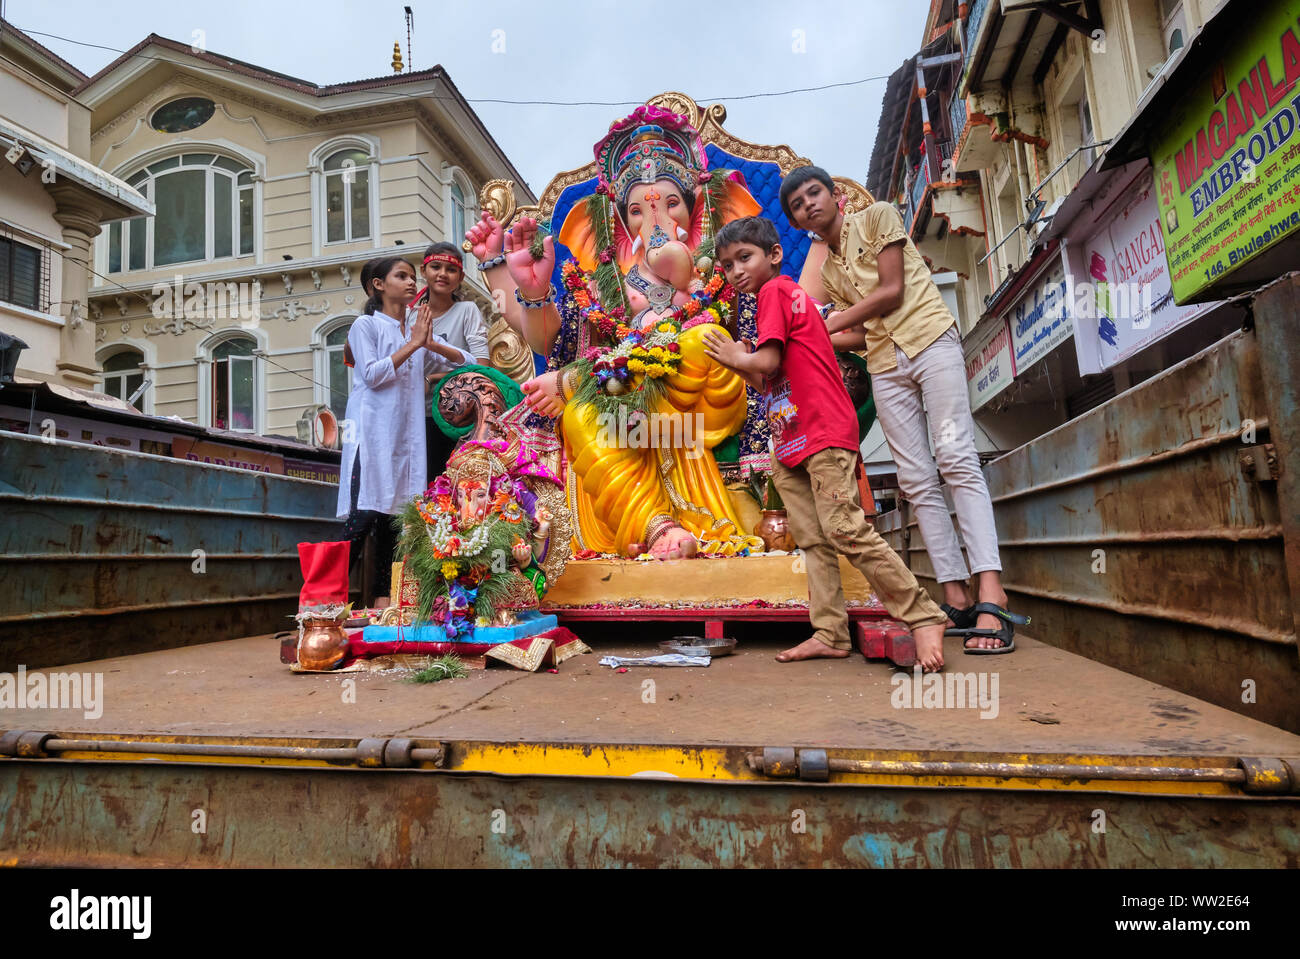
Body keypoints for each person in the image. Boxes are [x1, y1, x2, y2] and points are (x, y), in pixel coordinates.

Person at [779, 165, 1026, 653]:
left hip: (931, 342)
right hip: (885, 364)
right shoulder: (826, 270)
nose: (810, 204)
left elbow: (891, 291)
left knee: (955, 460)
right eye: (798, 205)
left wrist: (822, 327)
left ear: (834, 195)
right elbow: (857, 332)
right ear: (797, 221)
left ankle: (991, 593)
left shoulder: (878, 217)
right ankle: (953, 595)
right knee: (915, 478)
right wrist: (810, 337)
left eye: (815, 193)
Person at [702, 216, 949, 671]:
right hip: (791, 436)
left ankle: (923, 614)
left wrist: (736, 354)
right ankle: (830, 632)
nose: (736, 271)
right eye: (727, 264)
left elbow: (767, 358)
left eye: (745, 257)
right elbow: (766, 378)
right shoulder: (769, 303)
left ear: (774, 256)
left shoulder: (775, 293)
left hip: (821, 431)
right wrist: (739, 363)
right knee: (813, 541)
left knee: (844, 529)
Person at [337, 256, 470, 608]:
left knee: (394, 520)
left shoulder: (415, 328)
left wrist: (430, 344)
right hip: (371, 435)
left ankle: (383, 601)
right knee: (363, 516)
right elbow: (372, 375)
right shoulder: (364, 326)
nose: (412, 282)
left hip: (406, 441)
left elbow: (467, 363)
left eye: (413, 277)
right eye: (402, 276)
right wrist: (414, 344)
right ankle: (321, 603)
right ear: (378, 285)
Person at [410, 242, 492, 481]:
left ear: (461, 277)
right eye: (435, 267)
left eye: (451, 269)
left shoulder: (467, 310)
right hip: (413, 415)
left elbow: (482, 368)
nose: (442, 274)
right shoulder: (408, 315)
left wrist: (433, 378)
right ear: (423, 271)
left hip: (455, 417)